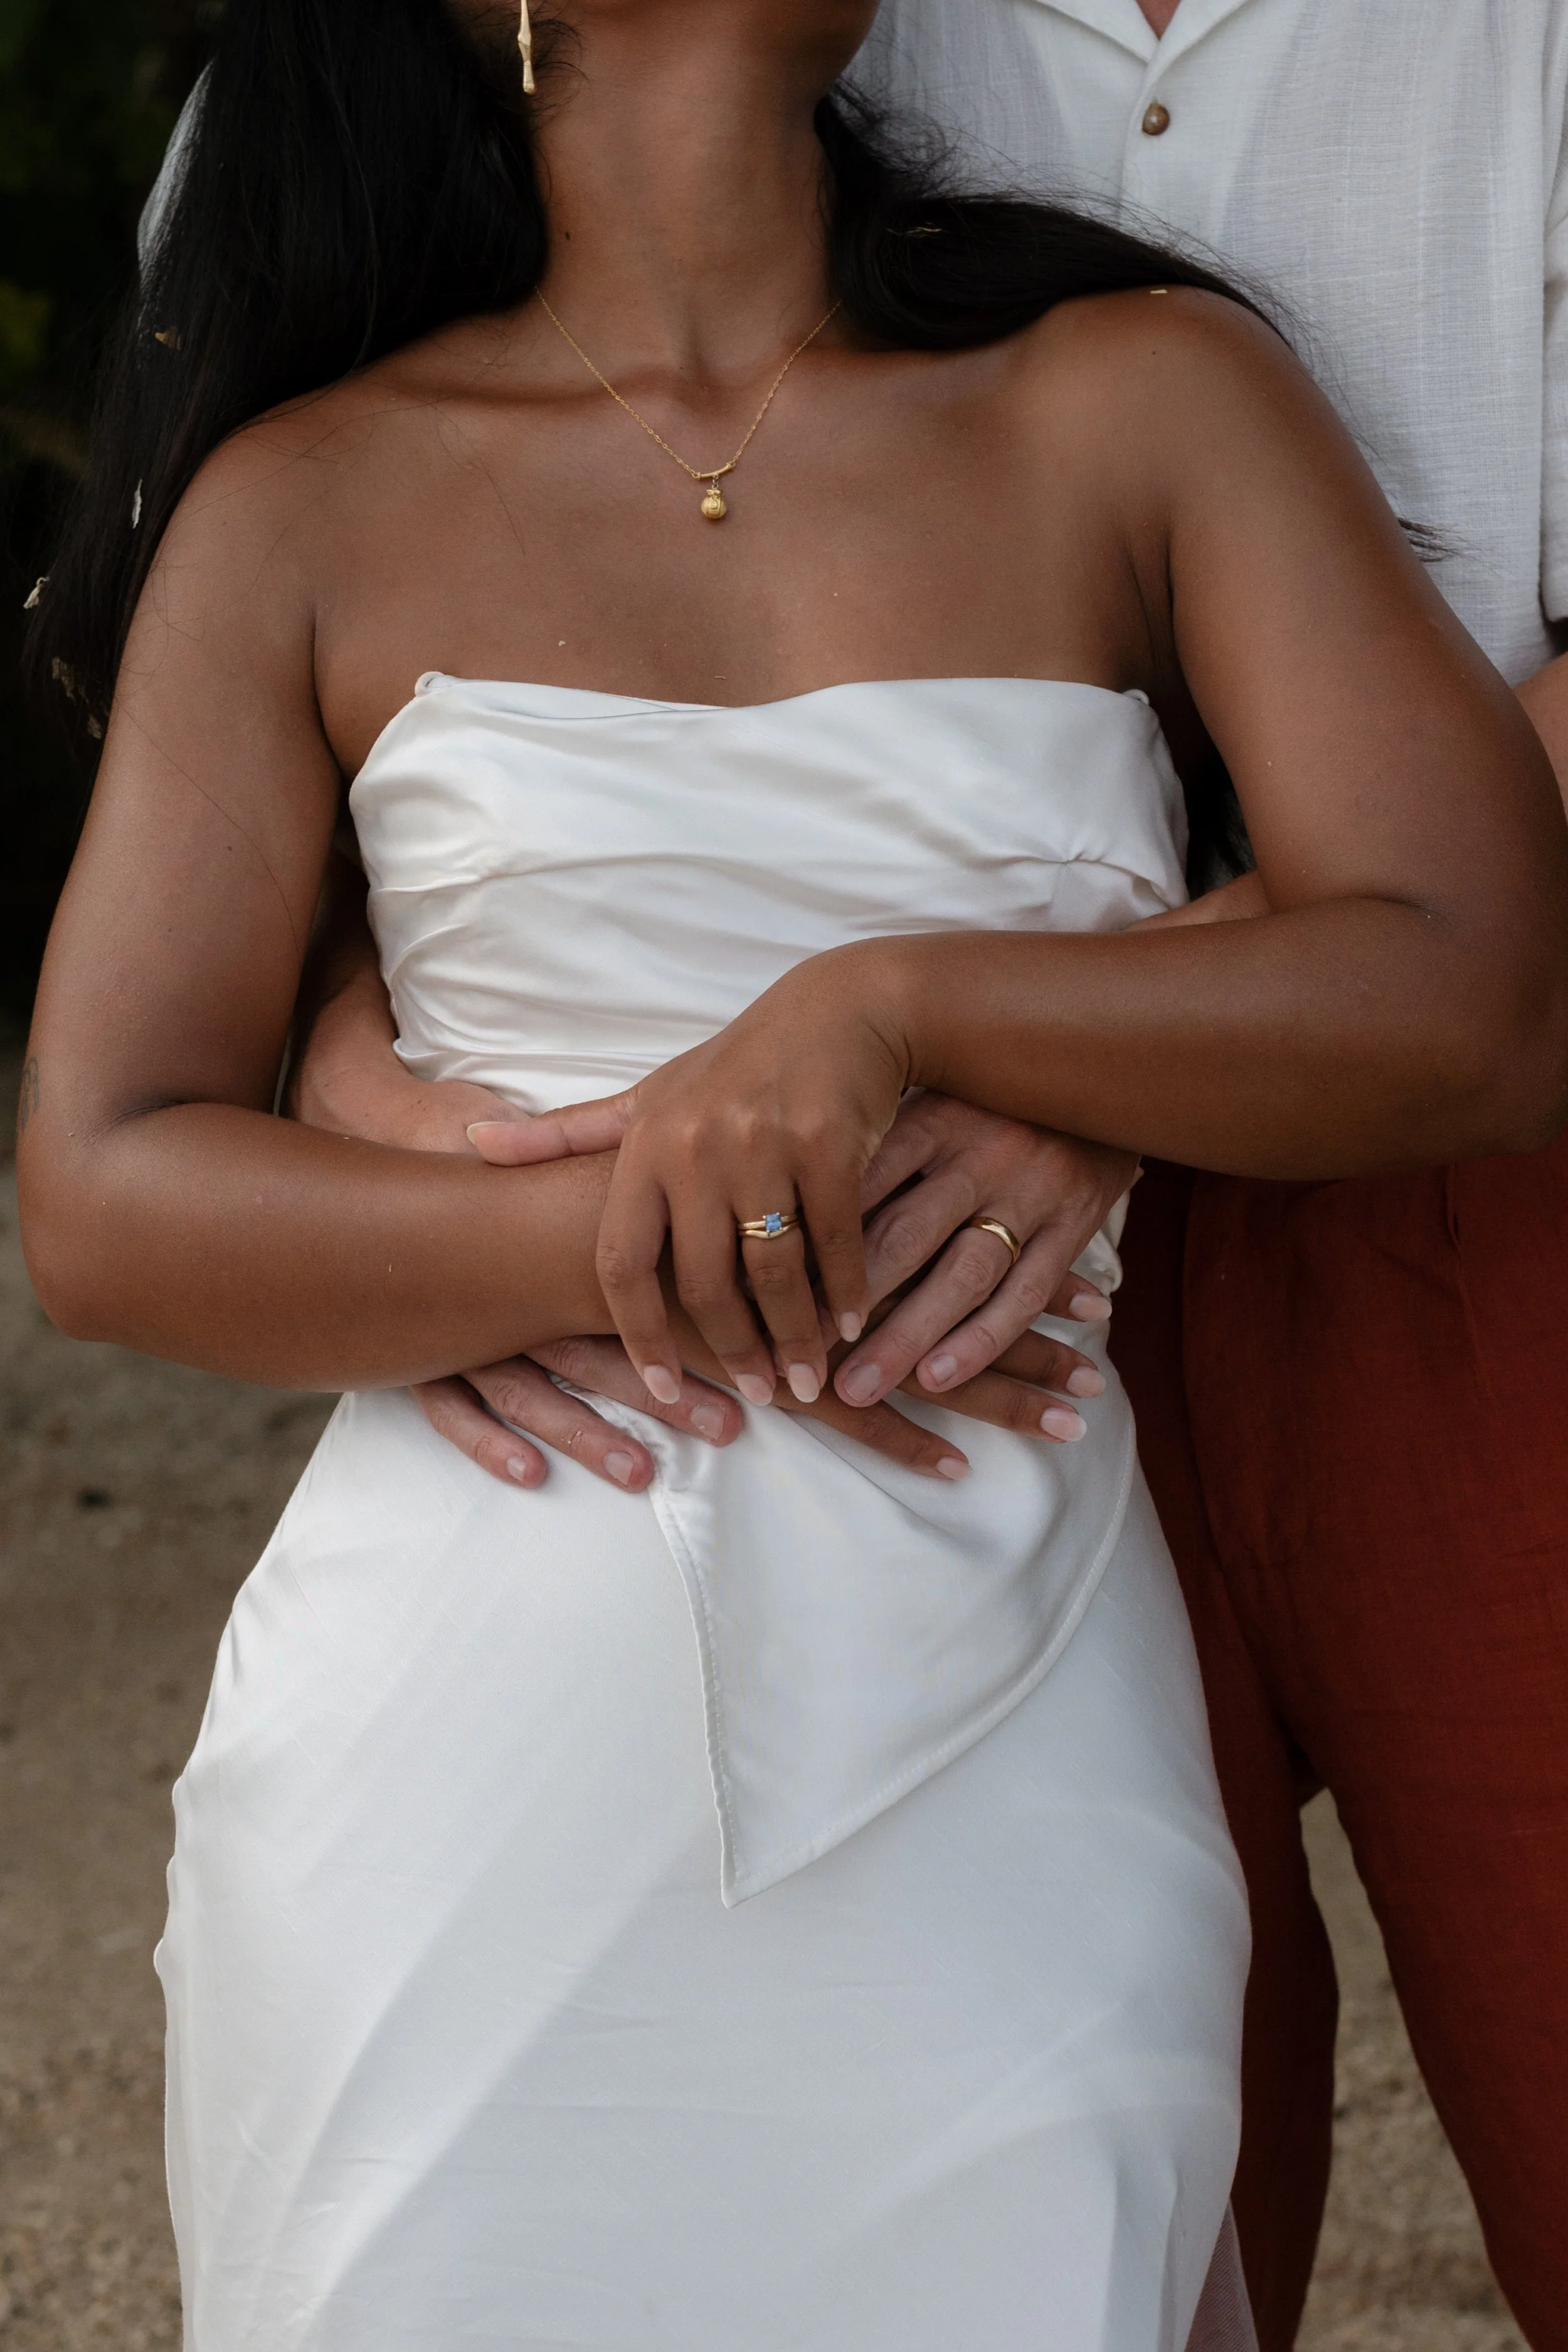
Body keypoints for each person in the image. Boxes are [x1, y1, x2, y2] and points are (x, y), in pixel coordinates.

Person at [19, 2, 1568, 2346]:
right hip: (460, 1740)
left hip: (1018, 1705)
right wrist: (626, 1242)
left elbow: (1472, 982)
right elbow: (103, 1188)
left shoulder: (1133, 395)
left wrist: (905, 1008)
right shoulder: (304, 501)